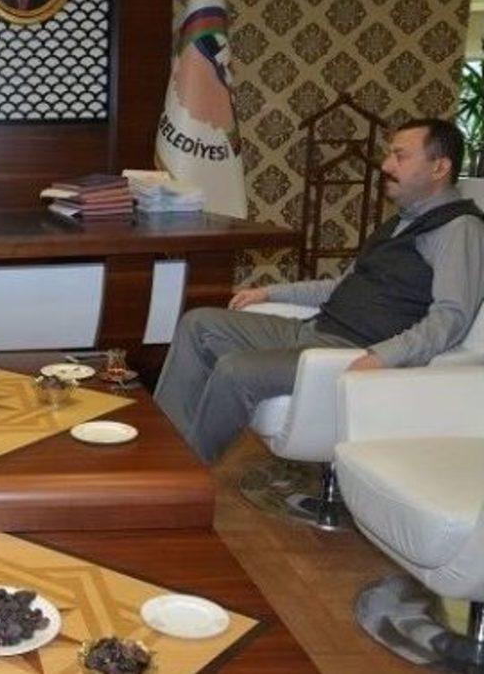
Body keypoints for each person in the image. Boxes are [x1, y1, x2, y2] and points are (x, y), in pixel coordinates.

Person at [154, 118, 484, 463]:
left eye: (400, 156)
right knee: (198, 324)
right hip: (314, 329)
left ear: (439, 167)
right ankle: (163, 448)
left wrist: (384, 356)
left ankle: (184, 471)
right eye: (389, 155)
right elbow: (342, 286)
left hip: (350, 349)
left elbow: (450, 318)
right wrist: (271, 293)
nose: (386, 165)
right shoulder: (402, 221)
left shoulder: (459, 229)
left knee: (235, 371)